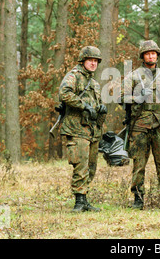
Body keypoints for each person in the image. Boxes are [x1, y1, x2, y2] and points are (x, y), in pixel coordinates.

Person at [122, 40, 160, 210]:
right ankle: (138, 199)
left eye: (154, 53)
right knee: (138, 164)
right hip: (139, 125)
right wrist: (137, 97)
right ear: (143, 56)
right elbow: (121, 97)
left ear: (157, 56)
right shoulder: (133, 76)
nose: (151, 56)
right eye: (148, 53)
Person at [59, 46, 107, 212]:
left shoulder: (94, 83)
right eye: (90, 60)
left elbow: (96, 103)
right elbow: (64, 93)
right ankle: (79, 201)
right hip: (76, 127)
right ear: (83, 61)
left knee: (91, 166)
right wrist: (84, 106)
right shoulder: (74, 76)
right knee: (81, 165)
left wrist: (101, 108)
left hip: (92, 129)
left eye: (96, 61)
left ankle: (85, 200)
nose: (93, 63)